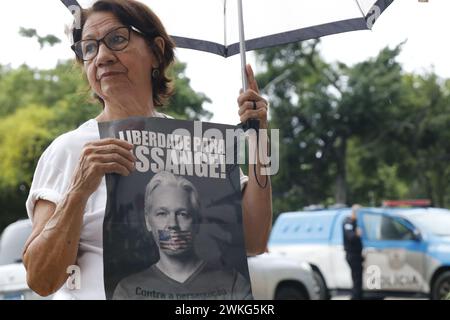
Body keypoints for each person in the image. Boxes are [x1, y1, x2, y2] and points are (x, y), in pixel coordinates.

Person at [22, 0, 272, 300]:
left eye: (116, 39)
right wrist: (78, 191)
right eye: (89, 48)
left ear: (156, 51)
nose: (101, 57)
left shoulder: (197, 142)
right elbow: (41, 280)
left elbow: (254, 240)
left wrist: (259, 140)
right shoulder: (69, 149)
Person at [112, 171, 252, 300]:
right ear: (148, 221)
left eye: (182, 214)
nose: (172, 224)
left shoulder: (233, 284)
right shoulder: (128, 291)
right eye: (162, 213)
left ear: (197, 221)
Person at [343, 204, 364, 300]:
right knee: (356, 280)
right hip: (352, 255)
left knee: (358, 280)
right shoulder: (348, 221)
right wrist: (357, 234)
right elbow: (350, 236)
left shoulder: (356, 222)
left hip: (358, 255)